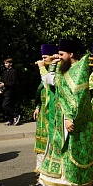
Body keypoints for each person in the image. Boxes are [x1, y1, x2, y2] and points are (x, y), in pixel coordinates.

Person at [31, 38, 93, 186]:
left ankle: (75, 182)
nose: (58, 56)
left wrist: (69, 117)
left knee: (72, 152)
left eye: (61, 54)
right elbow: (49, 80)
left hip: (72, 119)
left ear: (71, 53)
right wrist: (53, 63)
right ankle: (56, 182)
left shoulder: (79, 70)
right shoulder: (66, 68)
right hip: (60, 119)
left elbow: (76, 97)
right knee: (62, 151)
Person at [33, 44, 58, 174]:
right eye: (41, 57)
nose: (42, 60)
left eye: (45, 57)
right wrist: (37, 106)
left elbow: (47, 83)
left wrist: (42, 68)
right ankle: (40, 166)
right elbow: (41, 91)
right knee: (41, 140)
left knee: (51, 139)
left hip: (53, 112)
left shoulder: (57, 69)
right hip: (43, 111)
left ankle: (49, 167)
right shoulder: (47, 69)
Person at [0, 58, 20, 126]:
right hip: (4, 91)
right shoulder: (5, 72)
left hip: (10, 91)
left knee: (5, 105)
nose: (5, 65)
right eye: (5, 63)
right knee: (7, 106)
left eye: (7, 63)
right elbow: (2, 82)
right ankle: (10, 120)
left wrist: (4, 84)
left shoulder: (13, 71)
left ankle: (16, 115)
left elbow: (14, 82)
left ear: (10, 64)